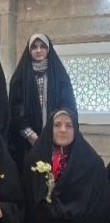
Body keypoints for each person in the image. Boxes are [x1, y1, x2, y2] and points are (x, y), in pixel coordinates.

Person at [9, 34, 77, 168]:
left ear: (49, 49)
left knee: (55, 173)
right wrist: (31, 135)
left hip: (56, 136)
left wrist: (57, 131)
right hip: (28, 141)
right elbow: (15, 109)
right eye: (34, 47)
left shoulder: (59, 74)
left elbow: (68, 104)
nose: (38, 50)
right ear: (29, 51)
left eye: (43, 46)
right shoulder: (20, 76)